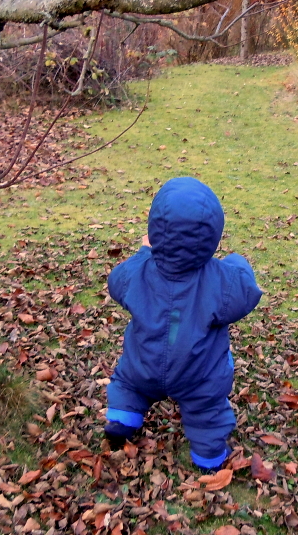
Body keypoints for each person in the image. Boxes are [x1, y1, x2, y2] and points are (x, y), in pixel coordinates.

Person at [103, 177, 263, 471]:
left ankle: (122, 415)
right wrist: (238, 262)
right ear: (213, 232)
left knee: (128, 384)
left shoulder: (139, 269)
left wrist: (144, 253)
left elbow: (116, 282)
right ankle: (208, 455)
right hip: (197, 375)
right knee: (206, 408)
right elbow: (247, 291)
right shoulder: (221, 280)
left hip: (143, 367)